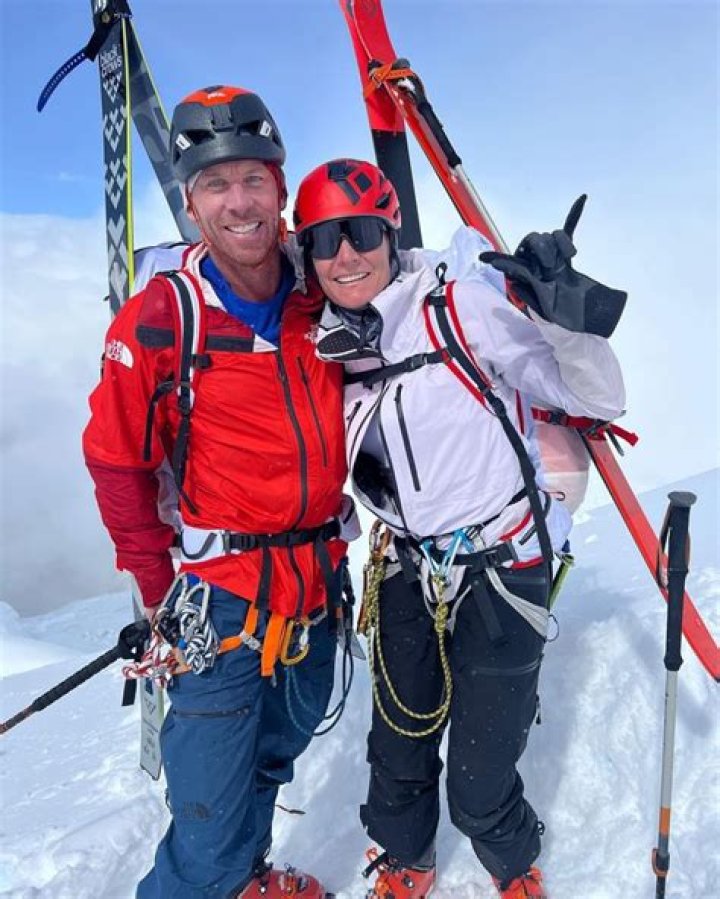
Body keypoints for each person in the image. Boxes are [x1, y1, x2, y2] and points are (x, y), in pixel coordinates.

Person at [293, 158, 627, 898]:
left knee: (480, 769)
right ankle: (406, 856)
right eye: (324, 240)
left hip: (504, 563)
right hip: (408, 566)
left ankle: (511, 860)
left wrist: (560, 316)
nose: (344, 255)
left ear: (390, 233)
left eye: (360, 232)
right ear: (305, 256)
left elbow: (597, 397)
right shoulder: (323, 347)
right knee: (398, 741)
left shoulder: (458, 306)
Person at [83, 88, 357, 899]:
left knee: (276, 748)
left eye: (253, 179)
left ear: (280, 187)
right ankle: (212, 877)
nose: (239, 202)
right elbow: (116, 462)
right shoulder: (163, 319)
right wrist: (160, 591)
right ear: (192, 203)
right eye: (215, 184)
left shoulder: (327, 290)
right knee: (205, 807)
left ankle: (245, 877)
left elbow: (417, 301)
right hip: (218, 601)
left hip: (316, 586)